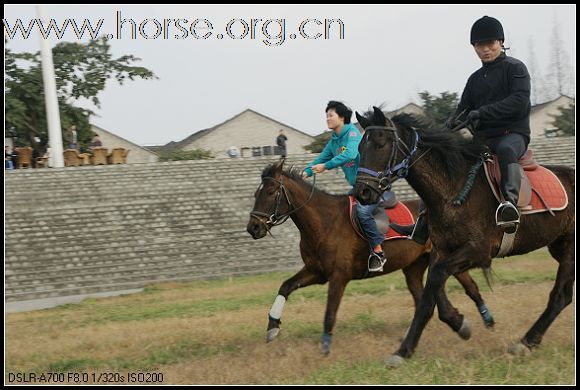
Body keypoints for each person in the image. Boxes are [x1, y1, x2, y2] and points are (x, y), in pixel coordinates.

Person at [446, 16, 531, 234]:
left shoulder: (515, 68)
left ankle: (510, 204)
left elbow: (518, 102)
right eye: (480, 45)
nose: (486, 49)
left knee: (505, 149)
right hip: (483, 139)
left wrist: (482, 112)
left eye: (490, 44)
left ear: (501, 42)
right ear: (474, 47)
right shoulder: (474, 79)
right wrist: (448, 125)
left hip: (513, 134)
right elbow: (463, 109)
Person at [302, 101, 387, 272]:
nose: (327, 118)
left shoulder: (352, 134)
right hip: (357, 188)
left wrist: (326, 167)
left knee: (362, 213)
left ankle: (378, 251)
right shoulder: (333, 141)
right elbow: (320, 159)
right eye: (326, 115)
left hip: (372, 187)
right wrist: (305, 173)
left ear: (342, 117)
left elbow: (350, 154)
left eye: (330, 115)